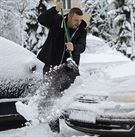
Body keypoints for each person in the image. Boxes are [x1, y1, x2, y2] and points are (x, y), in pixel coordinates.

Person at [36, 2, 87, 133]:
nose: (78, 22)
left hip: (68, 69)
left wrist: (74, 47)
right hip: (51, 65)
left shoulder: (81, 30)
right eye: (76, 19)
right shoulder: (57, 21)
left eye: (80, 20)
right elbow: (41, 19)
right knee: (50, 96)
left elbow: (82, 46)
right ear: (69, 17)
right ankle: (53, 130)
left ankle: (76, 124)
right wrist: (55, 9)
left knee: (70, 97)